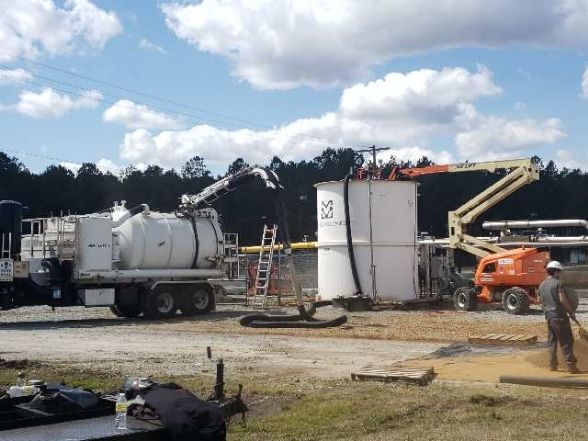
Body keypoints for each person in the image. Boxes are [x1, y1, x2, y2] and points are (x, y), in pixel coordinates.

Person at [538, 261, 579, 374]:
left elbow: (540, 301)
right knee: (566, 340)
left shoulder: (541, 284)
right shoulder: (559, 283)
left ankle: (552, 365)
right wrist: (571, 311)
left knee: (552, 341)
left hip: (549, 317)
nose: (560, 274)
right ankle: (571, 367)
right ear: (556, 271)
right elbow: (562, 300)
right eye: (559, 272)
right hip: (559, 316)